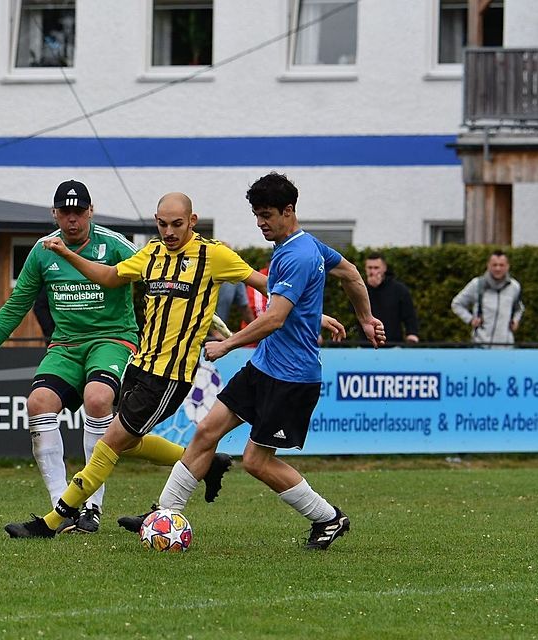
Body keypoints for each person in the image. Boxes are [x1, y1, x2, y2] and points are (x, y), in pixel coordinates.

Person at [3, 191, 346, 539]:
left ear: (192, 221)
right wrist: (67, 254)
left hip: (169, 377)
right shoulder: (151, 253)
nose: (169, 232)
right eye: (163, 224)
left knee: (110, 443)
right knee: (131, 442)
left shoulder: (213, 255)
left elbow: (267, 286)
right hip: (140, 366)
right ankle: (200, 473)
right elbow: (109, 277)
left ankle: (53, 521)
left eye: (177, 224)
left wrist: (313, 316)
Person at [117, 172, 386, 551]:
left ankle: (328, 517)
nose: (260, 223)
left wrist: (227, 345)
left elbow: (275, 318)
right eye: (257, 215)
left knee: (256, 461)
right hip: (264, 366)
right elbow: (351, 275)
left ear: (288, 211)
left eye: (266, 215)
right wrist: (365, 318)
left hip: (293, 377)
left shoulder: (298, 255)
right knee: (207, 431)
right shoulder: (305, 246)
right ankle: (163, 513)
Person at [0, 180, 139, 534]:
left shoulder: (114, 244)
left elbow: (155, 271)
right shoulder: (42, 251)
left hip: (112, 338)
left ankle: (92, 506)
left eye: (78, 212)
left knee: (98, 399)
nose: (72, 219)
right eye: (65, 212)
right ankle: (61, 507)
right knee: (38, 403)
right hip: (65, 345)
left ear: (90, 212)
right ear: (54, 214)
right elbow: (16, 305)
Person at [451, 250, 525, 348]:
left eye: (501, 265)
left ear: (507, 266)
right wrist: (470, 319)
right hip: (480, 345)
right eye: (494, 265)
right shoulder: (477, 284)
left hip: (506, 346)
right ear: (488, 266)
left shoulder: (514, 286)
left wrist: (515, 320)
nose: (498, 268)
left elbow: (519, 308)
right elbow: (456, 303)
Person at [363, 252, 419, 344]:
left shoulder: (399, 289)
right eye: (370, 268)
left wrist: (412, 334)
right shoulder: (360, 289)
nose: (373, 271)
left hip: (394, 344)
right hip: (365, 344)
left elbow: (409, 315)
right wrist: (369, 289)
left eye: (376, 268)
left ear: (384, 268)